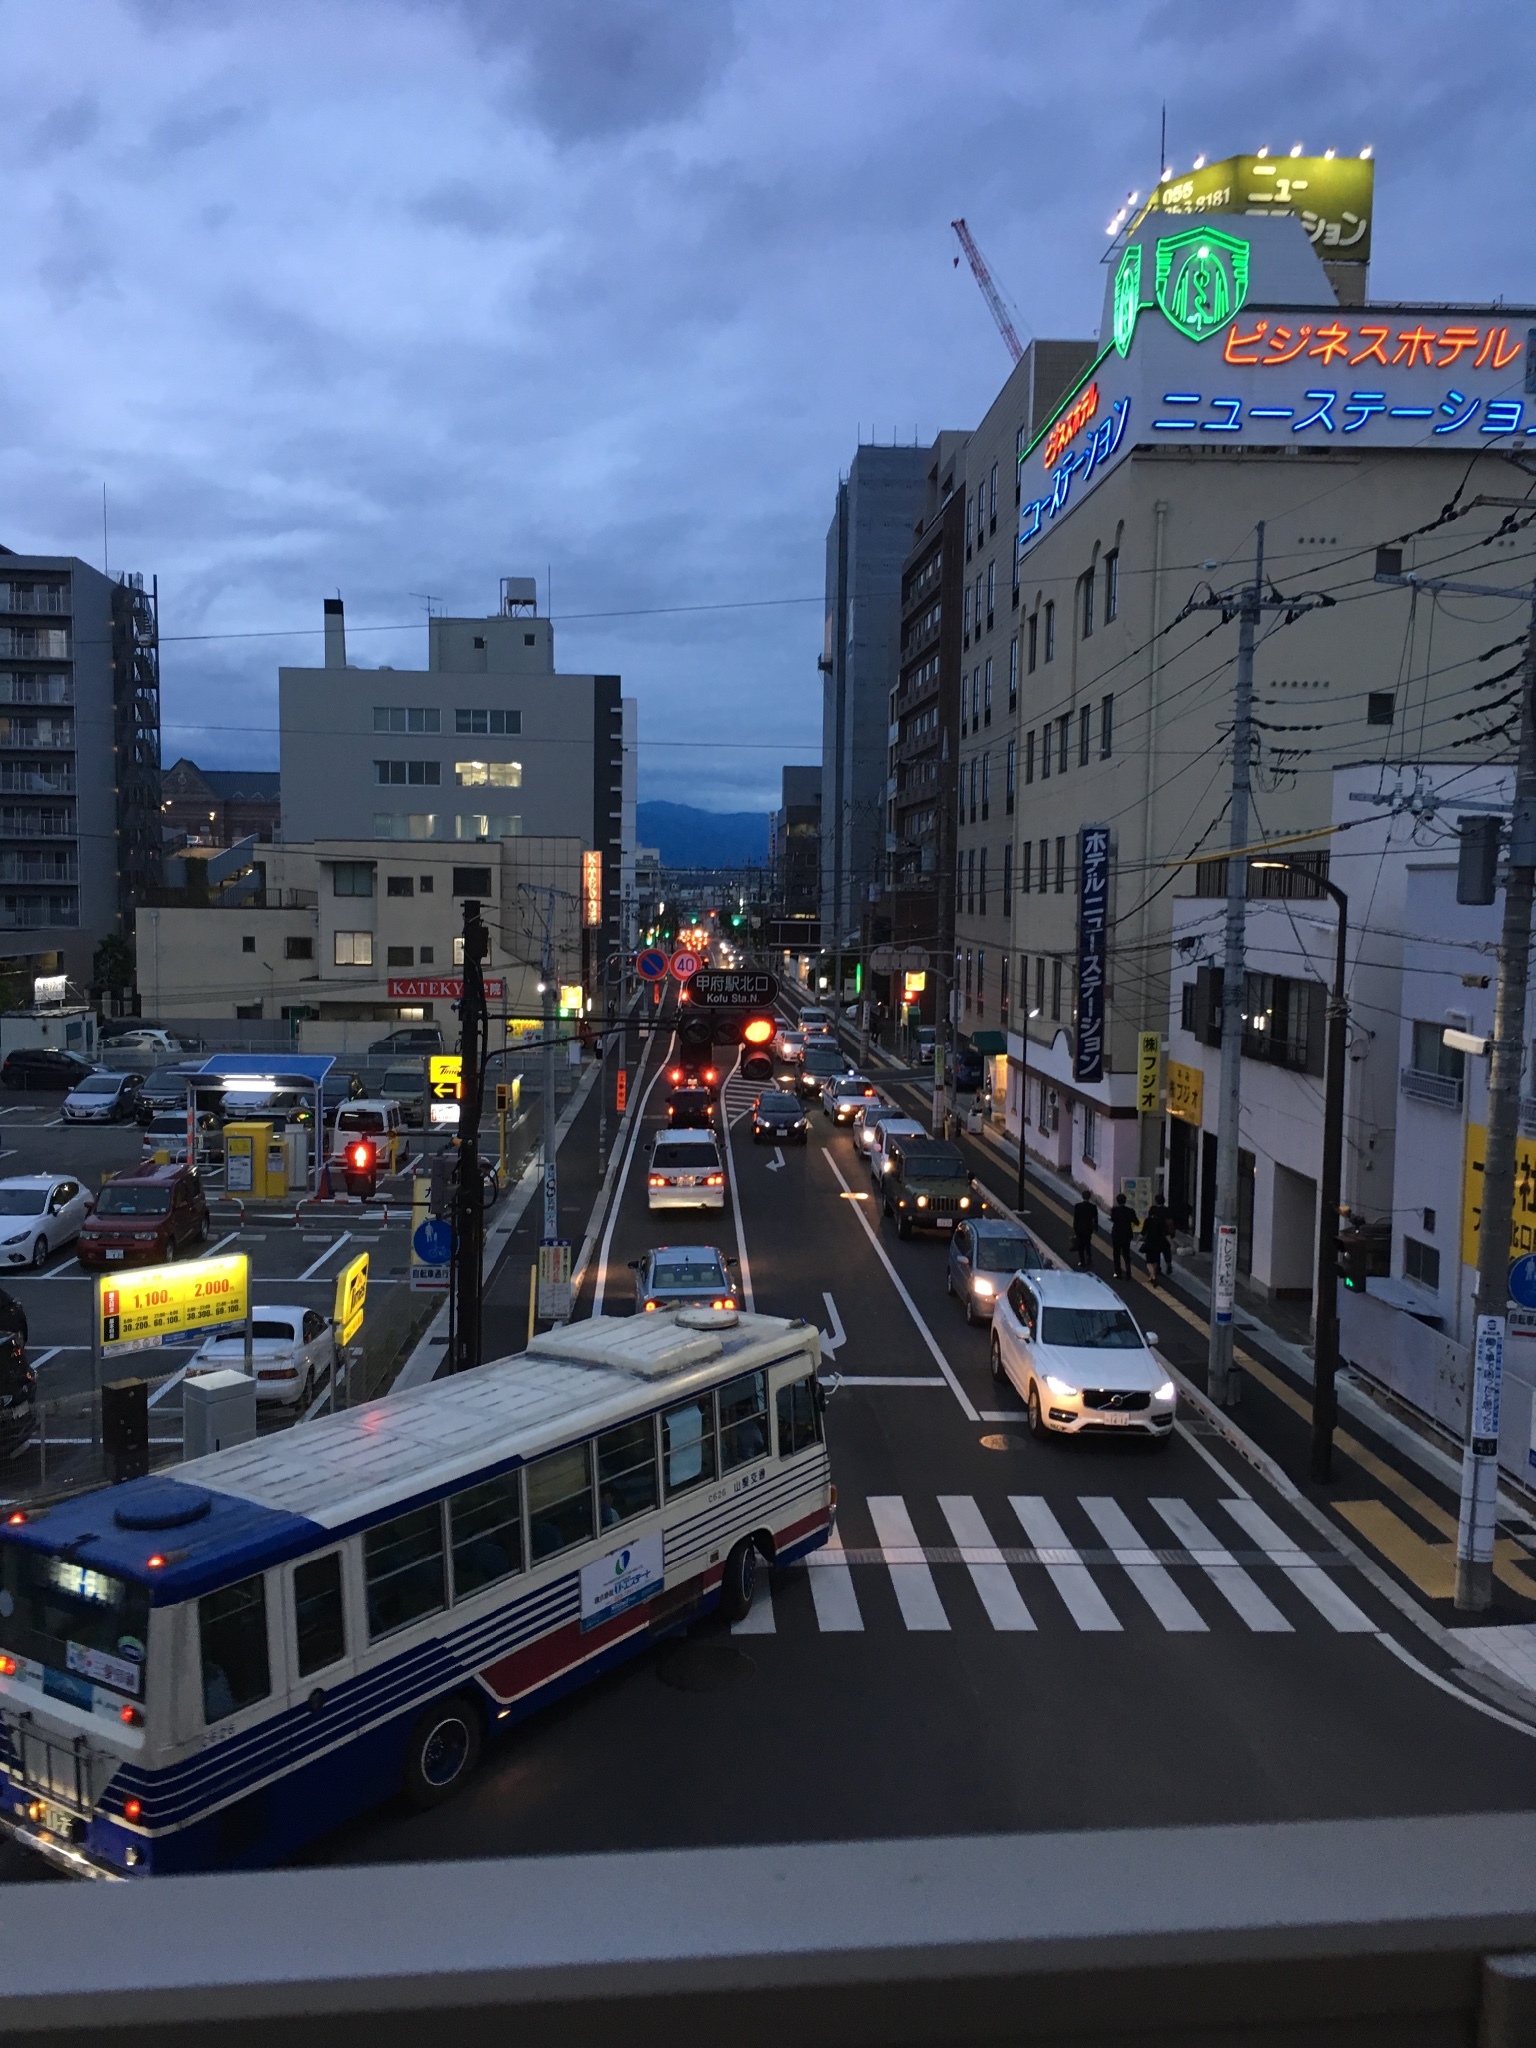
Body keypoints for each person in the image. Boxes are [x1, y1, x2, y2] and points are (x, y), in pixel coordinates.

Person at [1141, 1197, 1172, 1289]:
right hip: (1163, 1235)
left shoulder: (1150, 1215)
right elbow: (1170, 1222)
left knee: (1153, 1256)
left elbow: (1143, 1231)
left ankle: (1156, 1271)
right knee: (1166, 1251)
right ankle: (1168, 1264)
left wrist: (1138, 1240)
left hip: (1152, 1238)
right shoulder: (1167, 1210)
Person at [1110, 1193, 1136, 1280]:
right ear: (1125, 1201)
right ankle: (1128, 1272)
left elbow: (1113, 1219)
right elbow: (1136, 1221)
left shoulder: (1114, 1210)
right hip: (1126, 1234)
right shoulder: (1130, 1211)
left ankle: (1118, 1273)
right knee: (1126, 1254)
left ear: (1117, 1201)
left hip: (1116, 1233)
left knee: (1116, 1254)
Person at [1072, 1193, 1099, 1272]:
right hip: (1088, 1228)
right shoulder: (1093, 1207)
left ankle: (1082, 1261)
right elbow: (1095, 1219)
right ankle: (1089, 1257)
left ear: (1082, 1197)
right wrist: (1095, 1228)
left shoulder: (1077, 1206)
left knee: (1080, 1245)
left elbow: (1076, 1218)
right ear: (1089, 1197)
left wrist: (1075, 1228)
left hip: (1079, 1228)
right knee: (1088, 1243)